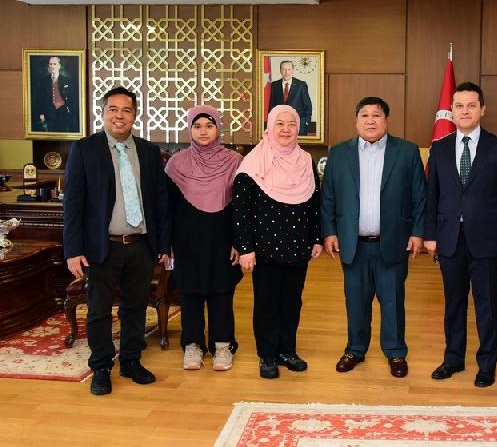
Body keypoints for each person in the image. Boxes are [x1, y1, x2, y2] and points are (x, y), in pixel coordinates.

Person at [63, 86, 170, 396]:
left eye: (126, 110)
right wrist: (73, 250)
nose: (119, 116)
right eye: (113, 109)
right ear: (103, 112)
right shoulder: (85, 150)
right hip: (102, 246)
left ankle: (131, 361)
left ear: (135, 115)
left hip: (141, 245)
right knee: (98, 311)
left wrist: (163, 244)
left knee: (135, 308)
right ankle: (100, 367)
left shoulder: (149, 152)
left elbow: (160, 201)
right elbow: (73, 204)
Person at [320, 97, 425, 378]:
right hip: (353, 243)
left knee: (392, 301)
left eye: (376, 115)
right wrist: (329, 232)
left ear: (386, 120)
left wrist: (418, 232)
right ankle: (355, 349)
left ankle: (395, 351)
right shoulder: (339, 153)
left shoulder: (407, 152)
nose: (370, 120)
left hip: (393, 242)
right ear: (356, 121)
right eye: (364, 115)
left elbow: (419, 196)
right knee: (355, 301)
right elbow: (328, 197)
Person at [424, 82, 497, 388]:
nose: (465, 111)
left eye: (471, 105)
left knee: (486, 305)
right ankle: (453, 358)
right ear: (451, 110)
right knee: (453, 303)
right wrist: (430, 234)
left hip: (488, 241)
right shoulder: (439, 148)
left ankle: (487, 364)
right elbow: (432, 196)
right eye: (459, 106)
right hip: (449, 239)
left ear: (482, 109)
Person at [232, 105, 322, 379]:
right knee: (267, 303)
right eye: (279, 124)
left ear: (298, 128)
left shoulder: (305, 160)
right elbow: (241, 210)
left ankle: (287, 351)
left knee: (292, 303)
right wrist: (245, 248)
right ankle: (267, 355)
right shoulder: (252, 163)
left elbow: (314, 204)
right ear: (269, 127)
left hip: (297, 245)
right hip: (265, 248)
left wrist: (316, 238)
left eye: (291, 124)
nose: (285, 129)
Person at [164, 105, 243, 372]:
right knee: (190, 292)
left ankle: (223, 345)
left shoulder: (234, 161)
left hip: (222, 237)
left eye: (209, 126)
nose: (203, 132)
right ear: (189, 129)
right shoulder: (177, 163)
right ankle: (193, 344)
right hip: (186, 239)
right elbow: (167, 207)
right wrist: (167, 245)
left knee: (222, 292)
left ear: (218, 128)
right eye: (197, 126)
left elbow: (241, 207)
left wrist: (239, 242)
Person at [31, 56, 78, 132]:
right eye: (50, 64)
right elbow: (39, 99)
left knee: (63, 131)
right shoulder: (43, 81)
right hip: (48, 111)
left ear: (59, 66)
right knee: (51, 132)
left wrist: (70, 111)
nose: (52, 66)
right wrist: (41, 113)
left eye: (54, 64)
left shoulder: (67, 81)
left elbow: (72, 98)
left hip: (63, 111)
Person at [268, 61, 313, 136]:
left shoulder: (301, 85)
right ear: (280, 71)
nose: (286, 72)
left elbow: (308, 106)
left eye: (289, 69)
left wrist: (305, 122)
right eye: (284, 69)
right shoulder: (275, 85)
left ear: (292, 70)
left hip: (298, 126)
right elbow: (271, 106)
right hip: (280, 127)